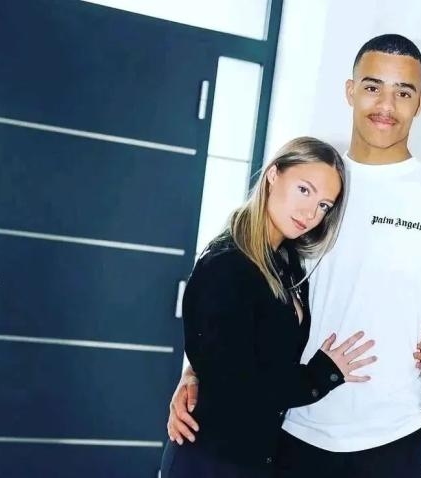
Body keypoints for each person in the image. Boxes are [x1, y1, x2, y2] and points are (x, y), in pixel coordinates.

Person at [169, 34, 421, 478]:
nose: (386, 105)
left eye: (403, 92)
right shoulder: (313, 183)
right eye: (373, 86)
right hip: (288, 434)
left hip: (391, 442)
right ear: (350, 90)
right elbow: (238, 291)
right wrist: (193, 373)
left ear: (420, 103)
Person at [160, 137, 379, 477]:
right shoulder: (227, 264)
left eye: (323, 205)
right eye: (304, 190)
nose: (310, 213)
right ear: (274, 175)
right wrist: (322, 374)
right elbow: (239, 386)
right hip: (210, 461)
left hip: (255, 458)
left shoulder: (287, 262)